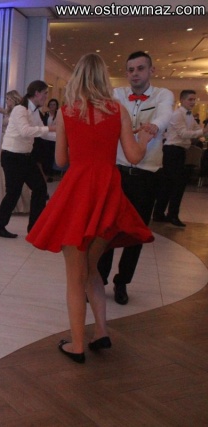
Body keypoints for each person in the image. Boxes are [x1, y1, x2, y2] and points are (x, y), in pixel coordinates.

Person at [27, 53, 154, 363]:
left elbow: (60, 161)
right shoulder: (119, 110)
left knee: (75, 275)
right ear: (103, 78)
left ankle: (77, 345)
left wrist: (80, 149)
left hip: (78, 193)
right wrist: (145, 138)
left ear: (78, 78)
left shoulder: (67, 112)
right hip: (107, 194)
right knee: (92, 269)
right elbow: (134, 156)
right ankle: (101, 331)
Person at [97, 51, 174, 305]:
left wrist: (154, 126)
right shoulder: (117, 94)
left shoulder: (163, 95)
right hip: (117, 172)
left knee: (136, 232)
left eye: (140, 68)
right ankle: (100, 279)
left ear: (151, 70)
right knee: (107, 228)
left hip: (147, 176)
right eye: (131, 70)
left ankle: (122, 282)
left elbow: (164, 115)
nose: (135, 74)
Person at [0, 80, 55, 239]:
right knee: (13, 193)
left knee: (40, 188)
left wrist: (62, 137)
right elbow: (25, 131)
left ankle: (35, 228)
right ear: (37, 93)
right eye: (45, 93)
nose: (46, 97)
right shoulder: (20, 109)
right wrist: (50, 128)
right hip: (12, 156)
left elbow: (43, 133)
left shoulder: (35, 111)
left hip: (25, 156)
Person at [153, 90, 208, 227]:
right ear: (182, 100)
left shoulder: (189, 116)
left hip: (179, 151)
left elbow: (196, 131)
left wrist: (203, 132)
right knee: (177, 185)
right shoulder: (177, 114)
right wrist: (202, 131)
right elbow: (183, 134)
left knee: (169, 185)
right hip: (172, 151)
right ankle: (171, 215)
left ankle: (159, 214)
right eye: (190, 99)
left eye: (194, 99)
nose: (193, 102)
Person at [0, 90, 30, 212]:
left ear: (14, 99)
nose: (7, 101)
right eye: (6, 99)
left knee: (9, 172)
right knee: (1, 170)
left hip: (11, 144)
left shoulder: (18, 112)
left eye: (8, 99)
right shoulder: (8, 111)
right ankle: (3, 199)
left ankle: (15, 202)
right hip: (4, 142)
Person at [36, 98, 59, 182]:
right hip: (45, 138)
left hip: (55, 139)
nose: (52, 106)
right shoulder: (45, 115)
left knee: (52, 156)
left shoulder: (59, 115)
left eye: (54, 104)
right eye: (51, 104)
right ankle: (46, 173)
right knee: (45, 156)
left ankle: (52, 173)